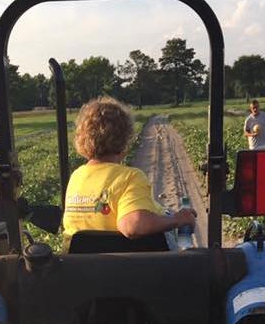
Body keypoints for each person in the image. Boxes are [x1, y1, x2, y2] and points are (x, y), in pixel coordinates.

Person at [62, 97, 196, 248]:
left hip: (79, 266)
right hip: (131, 267)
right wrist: (177, 220)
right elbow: (133, 225)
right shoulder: (129, 177)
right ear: (124, 140)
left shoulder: (76, 177)